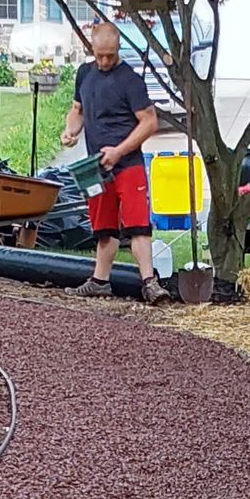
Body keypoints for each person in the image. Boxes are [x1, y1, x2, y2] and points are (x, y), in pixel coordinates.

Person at [62, 20, 169, 303]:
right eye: (100, 55)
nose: (105, 61)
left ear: (118, 48)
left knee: (138, 225)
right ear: (92, 48)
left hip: (128, 164)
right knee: (103, 227)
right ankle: (100, 281)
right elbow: (77, 110)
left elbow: (149, 123)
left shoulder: (130, 80)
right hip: (95, 166)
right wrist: (71, 130)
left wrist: (119, 151)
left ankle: (149, 282)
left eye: (110, 55)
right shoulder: (84, 74)